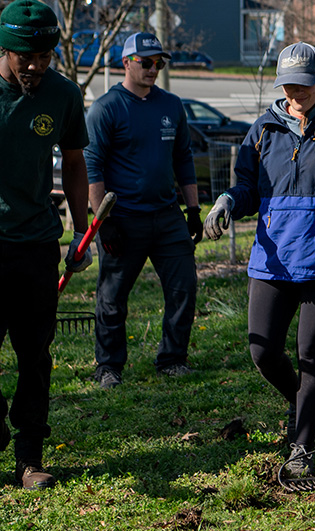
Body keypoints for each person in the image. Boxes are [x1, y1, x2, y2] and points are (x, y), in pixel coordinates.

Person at [202, 42, 315, 475]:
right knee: (262, 351)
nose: (294, 94)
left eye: (303, 85)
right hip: (274, 260)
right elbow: (248, 186)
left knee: (310, 356)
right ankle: (305, 406)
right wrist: (227, 200)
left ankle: (303, 446)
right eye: (287, 85)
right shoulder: (264, 129)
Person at [0, 0, 90, 490]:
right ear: (4, 48)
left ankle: (29, 457)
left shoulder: (62, 94)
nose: (35, 65)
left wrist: (82, 229)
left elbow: (74, 162)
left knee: (34, 354)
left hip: (35, 244)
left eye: (44, 56)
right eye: (24, 57)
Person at [84, 32, 201, 388]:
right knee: (112, 297)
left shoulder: (171, 105)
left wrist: (193, 209)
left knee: (184, 288)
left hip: (167, 216)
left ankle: (172, 358)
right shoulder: (106, 108)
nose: (153, 69)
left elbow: (183, 158)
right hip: (123, 219)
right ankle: (108, 366)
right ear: (126, 63)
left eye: (159, 63)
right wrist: (103, 222)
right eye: (146, 62)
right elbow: (92, 166)